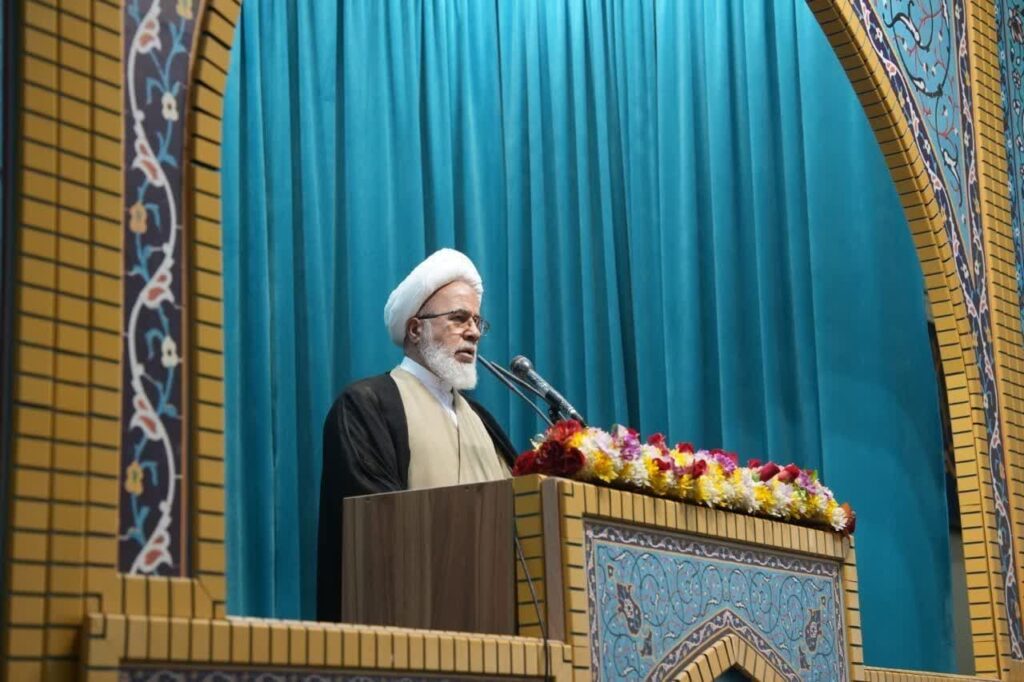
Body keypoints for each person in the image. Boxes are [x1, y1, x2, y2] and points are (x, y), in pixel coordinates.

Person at [316, 248, 516, 621]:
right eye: (458, 318)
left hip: (496, 617)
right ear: (415, 329)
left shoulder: (483, 421)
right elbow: (375, 531)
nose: (473, 332)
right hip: (408, 621)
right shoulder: (367, 406)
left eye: (477, 321)